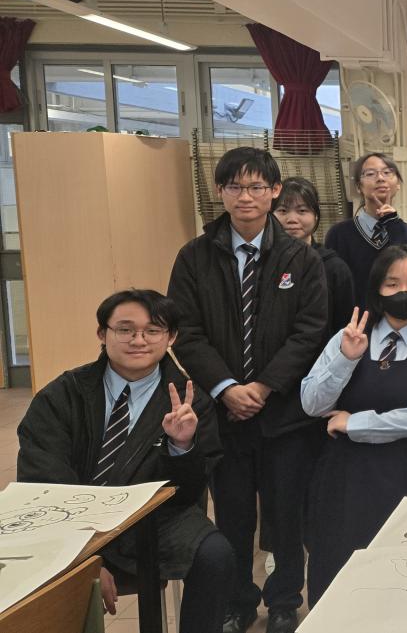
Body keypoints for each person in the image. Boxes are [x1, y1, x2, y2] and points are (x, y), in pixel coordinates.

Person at [167, 146, 328, 633]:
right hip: (224, 415)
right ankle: (238, 601)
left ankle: (284, 602)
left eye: (257, 186)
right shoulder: (194, 257)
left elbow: (310, 330)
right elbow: (185, 330)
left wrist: (263, 386)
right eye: (235, 186)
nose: (246, 196)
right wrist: (225, 388)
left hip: (283, 412)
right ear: (220, 191)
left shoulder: (300, 257)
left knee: (284, 513)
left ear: (274, 191)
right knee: (233, 517)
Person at [17, 290, 234, 633]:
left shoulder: (189, 401)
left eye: (153, 330)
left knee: (215, 554)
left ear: (171, 337)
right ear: (102, 334)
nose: (139, 340)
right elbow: (42, 475)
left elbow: (190, 491)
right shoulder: (64, 394)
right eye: (125, 329)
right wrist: (82, 557)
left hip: (154, 520)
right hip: (71, 522)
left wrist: (181, 445)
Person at [300, 244, 407, 603]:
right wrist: (345, 359)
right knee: (338, 579)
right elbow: (312, 403)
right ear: (376, 289)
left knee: (404, 584)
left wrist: (354, 423)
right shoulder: (350, 336)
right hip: (345, 480)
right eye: (392, 284)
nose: (404, 292)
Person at [324, 153, 407, 308]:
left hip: (401, 318)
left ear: (397, 184)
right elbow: (332, 288)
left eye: (387, 172)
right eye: (370, 174)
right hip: (355, 321)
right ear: (359, 186)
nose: (380, 178)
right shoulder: (339, 234)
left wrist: (393, 223)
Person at [274, 176, 355, 337]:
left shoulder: (334, 267)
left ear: (316, 216)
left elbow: (344, 326)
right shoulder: (262, 262)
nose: (292, 219)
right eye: (283, 211)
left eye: (302, 211)